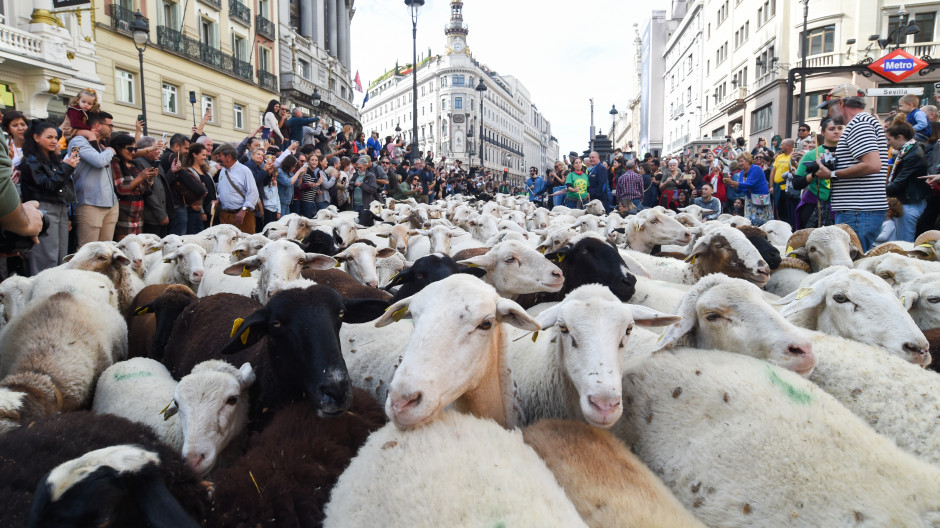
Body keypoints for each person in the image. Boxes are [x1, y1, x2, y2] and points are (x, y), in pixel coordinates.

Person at [814, 84, 889, 251]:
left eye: (829, 107)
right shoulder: (864, 122)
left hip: (858, 210)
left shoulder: (859, 124)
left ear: (841, 103)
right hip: (861, 210)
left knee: (852, 261)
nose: (828, 113)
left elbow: (872, 164)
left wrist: (832, 173)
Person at [19, 121, 78, 273]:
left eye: (56, 137)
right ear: (36, 138)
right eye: (49, 137)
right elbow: (48, 185)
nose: (54, 141)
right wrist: (67, 167)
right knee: (45, 259)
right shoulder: (31, 161)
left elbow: (62, 187)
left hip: (60, 209)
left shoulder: (54, 160)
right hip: (42, 210)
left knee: (61, 257)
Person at [69, 112, 119, 247]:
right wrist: (110, 151)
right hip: (90, 203)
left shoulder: (101, 144)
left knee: (107, 250)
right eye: (110, 125)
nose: (112, 129)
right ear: (97, 125)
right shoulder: (78, 141)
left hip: (111, 203)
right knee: (88, 250)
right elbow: (98, 161)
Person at [792, 117, 841, 229]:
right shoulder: (810, 155)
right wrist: (814, 174)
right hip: (815, 206)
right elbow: (796, 183)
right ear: (823, 132)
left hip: (843, 208)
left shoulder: (848, 153)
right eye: (832, 129)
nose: (836, 131)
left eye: (839, 128)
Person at [885, 122, 929, 242]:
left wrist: (876, 192)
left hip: (909, 203)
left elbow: (899, 182)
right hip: (906, 201)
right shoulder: (906, 151)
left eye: (889, 139)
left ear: (900, 137)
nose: (888, 143)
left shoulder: (913, 155)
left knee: (904, 243)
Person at [110, 134, 156, 240]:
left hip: (138, 213)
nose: (133, 152)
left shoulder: (134, 164)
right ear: (118, 148)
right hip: (124, 213)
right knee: (124, 245)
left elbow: (145, 190)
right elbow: (121, 189)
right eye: (130, 149)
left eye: (135, 149)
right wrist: (140, 177)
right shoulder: (115, 164)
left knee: (137, 245)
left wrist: (150, 177)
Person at [215, 143, 259, 233]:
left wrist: (243, 211)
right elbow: (221, 191)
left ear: (228, 156)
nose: (217, 158)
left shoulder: (244, 170)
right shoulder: (222, 171)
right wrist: (218, 199)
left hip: (243, 217)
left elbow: (253, 193)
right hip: (225, 217)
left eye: (219, 155)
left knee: (245, 241)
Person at [724, 152, 772, 225]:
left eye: (742, 161)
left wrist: (733, 182)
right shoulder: (742, 172)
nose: (740, 163)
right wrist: (732, 184)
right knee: (749, 222)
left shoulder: (756, 169)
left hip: (760, 199)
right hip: (749, 200)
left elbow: (749, 184)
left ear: (748, 160)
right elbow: (739, 190)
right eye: (739, 162)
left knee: (762, 223)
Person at [176, 143, 210, 234]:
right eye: (203, 155)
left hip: (210, 210)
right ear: (194, 155)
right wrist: (201, 211)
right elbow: (195, 192)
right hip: (197, 212)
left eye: (205, 155)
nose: (205, 157)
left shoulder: (206, 170)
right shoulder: (189, 172)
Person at [770, 139, 795, 224]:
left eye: (782, 145)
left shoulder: (793, 157)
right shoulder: (780, 156)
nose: (780, 147)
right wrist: (771, 186)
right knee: (778, 209)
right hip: (777, 187)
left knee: (787, 211)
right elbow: (773, 171)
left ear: (788, 146)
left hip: (787, 189)